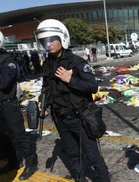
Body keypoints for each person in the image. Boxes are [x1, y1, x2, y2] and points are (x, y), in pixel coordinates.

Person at [34, 19, 110, 182]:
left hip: (79, 117)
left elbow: (93, 87)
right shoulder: (47, 64)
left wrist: (71, 80)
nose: (48, 44)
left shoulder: (77, 62)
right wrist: (43, 101)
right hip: (60, 118)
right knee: (72, 154)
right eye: (44, 41)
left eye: (51, 39)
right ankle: (79, 178)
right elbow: (46, 86)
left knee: (92, 155)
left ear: (63, 38)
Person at [0, 31, 38, 180]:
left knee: (19, 135)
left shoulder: (7, 60)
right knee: (4, 137)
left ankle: (31, 163)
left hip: (8, 104)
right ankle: (13, 161)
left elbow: (4, 83)